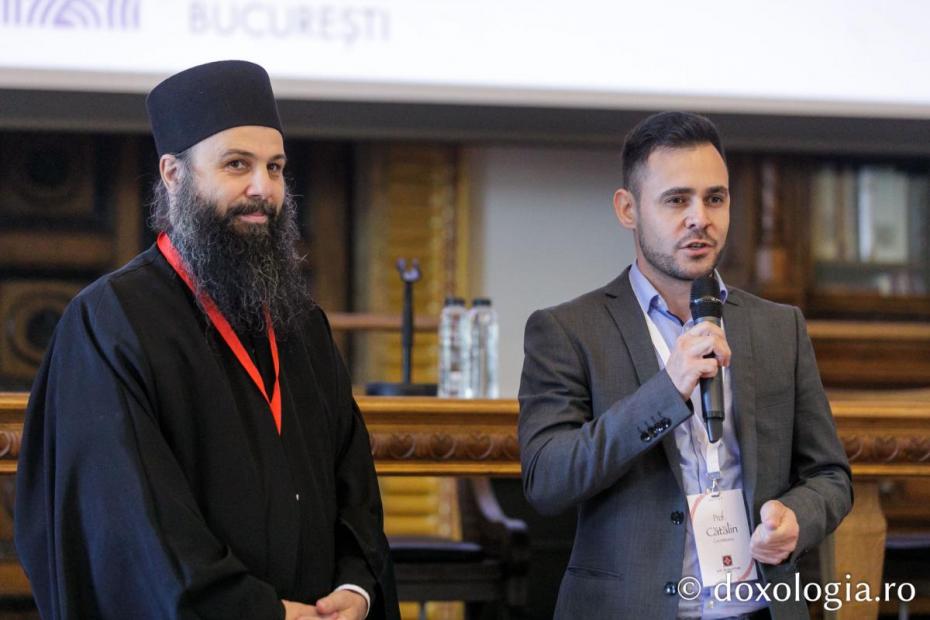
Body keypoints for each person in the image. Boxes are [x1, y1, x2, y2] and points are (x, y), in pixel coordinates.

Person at [15, 60, 400, 620]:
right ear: (174, 174)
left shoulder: (301, 324)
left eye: (275, 167)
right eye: (237, 164)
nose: (262, 188)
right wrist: (261, 612)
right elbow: (130, 524)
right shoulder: (109, 322)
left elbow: (354, 485)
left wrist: (356, 589)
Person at [518, 111, 852, 619]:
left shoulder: (778, 327)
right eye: (677, 200)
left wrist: (796, 518)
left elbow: (830, 475)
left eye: (715, 198)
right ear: (627, 209)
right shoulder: (568, 330)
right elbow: (547, 480)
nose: (700, 217)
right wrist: (666, 391)